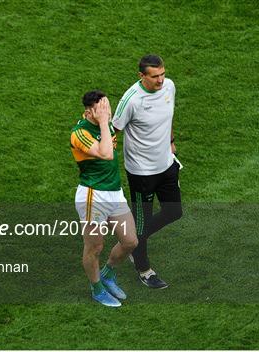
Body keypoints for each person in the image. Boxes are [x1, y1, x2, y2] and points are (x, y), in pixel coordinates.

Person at [112, 54, 182, 289]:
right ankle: (144, 268)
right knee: (141, 222)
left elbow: (169, 114)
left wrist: (171, 141)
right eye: (155, 76)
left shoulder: (169, 86)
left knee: (174, 211)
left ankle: (133, 239)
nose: (161, 80)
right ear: (141, 76)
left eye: (162, 74)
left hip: (166, 164)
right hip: (142, 173)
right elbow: (114, 130)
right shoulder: (131, 100)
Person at [70, 90, 138, 307]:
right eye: (103, 108)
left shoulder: (105, 124)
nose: (107, 112)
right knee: (94, 247)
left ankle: (108, 272)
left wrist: (104, 122)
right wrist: (103, 123)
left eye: (108, 107)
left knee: (130, 241)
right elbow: (106, 153)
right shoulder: (79, 133)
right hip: (93, 195)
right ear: (90, 111)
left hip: (114, 192)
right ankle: (96, 287)